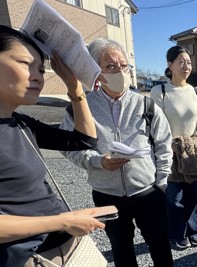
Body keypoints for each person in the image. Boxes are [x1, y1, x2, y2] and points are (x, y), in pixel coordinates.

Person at [60, 38, 174, 267]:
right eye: (110, 66)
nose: (119, 71)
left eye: (123, 65)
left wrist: (161, 182)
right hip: (106, 193)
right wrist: (98, 161)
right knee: (121, 249)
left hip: (147, 191)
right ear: (95, 72)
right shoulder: (80, 108)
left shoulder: (146, 105)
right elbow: (69, 148)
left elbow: (164, 143)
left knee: (160, 245)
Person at [0, 25, 104, 266]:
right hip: (29, 257)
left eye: (41, 69)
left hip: (70, 248)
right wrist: (64, 222)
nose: (38, 76)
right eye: (26, 64)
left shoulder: (21, 123)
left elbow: (84, 140)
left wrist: (74, 87)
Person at [150, 46, 197, 249]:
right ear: (170, 65)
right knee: (173, 197)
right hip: (169, 150)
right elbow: (155, 123)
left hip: (193, 149)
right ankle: (176, 233)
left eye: (189, 62)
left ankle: (195, 231)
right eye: (181, 61)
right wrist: (171, 142)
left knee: (195, 194)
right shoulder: (160, 91)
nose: (186, 66)